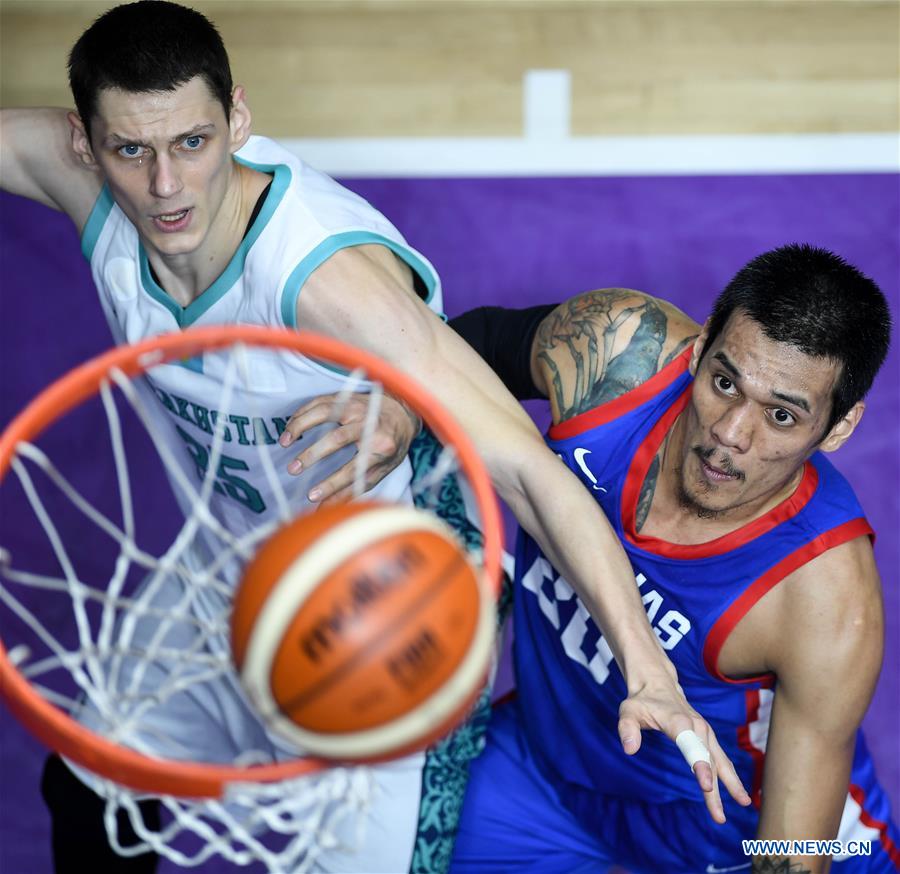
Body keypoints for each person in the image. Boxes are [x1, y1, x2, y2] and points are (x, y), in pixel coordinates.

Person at [0, 2, 748, 871]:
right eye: (134, 150)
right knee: (93, 785)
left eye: (194, 143)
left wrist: (647, 669)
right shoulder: (82, 182)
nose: (167, 185)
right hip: (244, 556)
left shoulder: (323, 283)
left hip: (402, 593)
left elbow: (529, 473)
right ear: (86, 144)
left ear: (237, 118)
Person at [430, 246, 898, 873]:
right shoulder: (620, 354)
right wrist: (397, 416)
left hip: (722, 833)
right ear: (699, 349)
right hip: (552, 769)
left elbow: (792, 856)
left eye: (782, 416)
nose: (731, 433)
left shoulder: (825, 598)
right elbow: (468, 347)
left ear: (837, 430)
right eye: (724, 382)